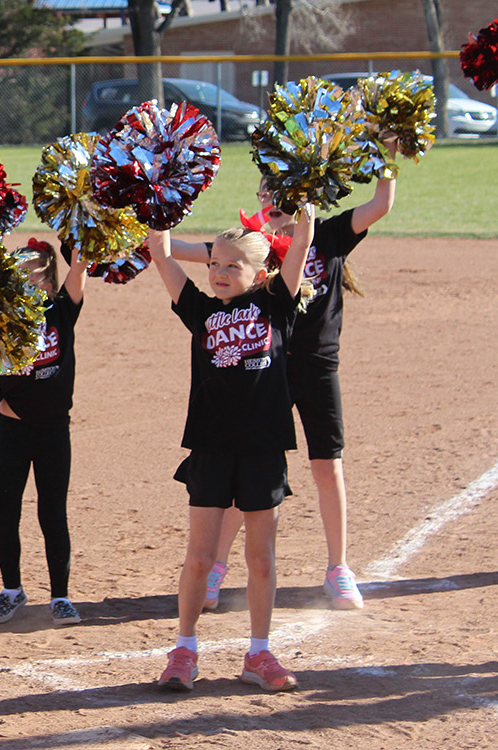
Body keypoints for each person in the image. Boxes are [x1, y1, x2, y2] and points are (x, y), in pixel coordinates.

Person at [170, 173, 394, 611]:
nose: (272, 200)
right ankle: (216, 566)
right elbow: (184, 251)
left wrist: (386, 156)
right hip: (264, 370)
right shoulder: (249, 246)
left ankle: (338, 568)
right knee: (249, 463)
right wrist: (145, 228)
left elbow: (381, 204)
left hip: (315, 364)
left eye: (283, 191)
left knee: (327, 464)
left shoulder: (327, 233)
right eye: (265, 193)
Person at [149, 206, 315, 694]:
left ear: (259, 274)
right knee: (199, 557)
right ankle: (184, 649)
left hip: (264, 448)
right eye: (214, 264)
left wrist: (304, 212)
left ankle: (259, 653)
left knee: (260, 558)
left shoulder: (276, 305)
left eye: (232, 265)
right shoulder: (201, 310)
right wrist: (157, 204)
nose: (220, 273)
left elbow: (302, 245)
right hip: (212, 447)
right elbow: (161, 256)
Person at [0, 240, 87, 628]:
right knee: (4, 515)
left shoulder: (62, 310)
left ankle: (60, 595)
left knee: (52, 513)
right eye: (18, 275)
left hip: (54, 432)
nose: (26, 281)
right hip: (13, 429)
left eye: (34, 275)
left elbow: (80, 266)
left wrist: (78, 225)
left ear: (49, 279)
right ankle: (12, 590)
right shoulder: (0, 317)